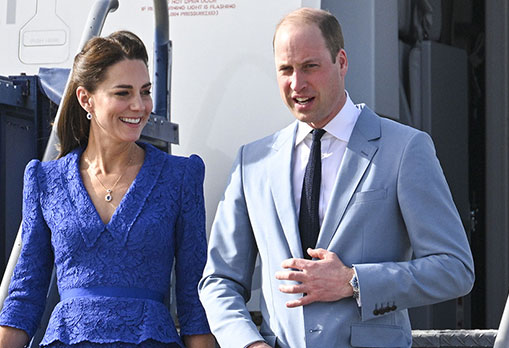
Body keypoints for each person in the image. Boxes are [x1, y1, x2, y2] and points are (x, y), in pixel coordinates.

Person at [198, 8, 474, 348]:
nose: (296, 84)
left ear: (341, 62)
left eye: (310, 66)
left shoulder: (405, 149)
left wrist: (353, 282)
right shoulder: (252, 162)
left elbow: (455, 269)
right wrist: (248, 344)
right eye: (286, 69)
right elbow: (218, 281)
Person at [0, 31, 214, 348]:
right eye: (123, 93)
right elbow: (24, 297)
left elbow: (195, 302)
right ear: (86, 99)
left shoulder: (180, 176)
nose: (139, 105)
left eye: (145, 92)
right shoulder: (45, 180)